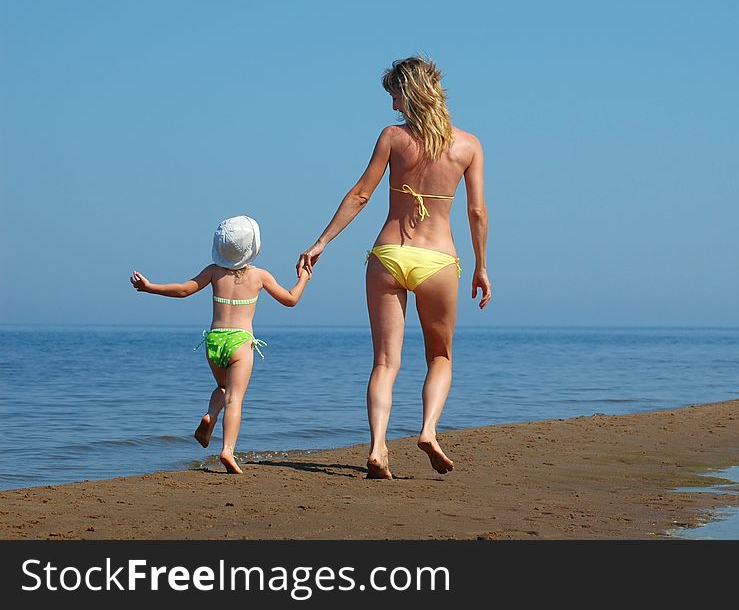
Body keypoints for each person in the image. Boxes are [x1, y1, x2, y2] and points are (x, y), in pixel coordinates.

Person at [297, 55, 491, 479]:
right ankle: (428, 430)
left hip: (389, 254)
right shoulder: (468, 145)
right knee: (440, 356)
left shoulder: (392, 137)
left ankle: (379, 448)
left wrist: (321, 242)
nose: (393, 107)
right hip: (439, 260)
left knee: (385, 361)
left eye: (396, 96)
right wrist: (481, 266)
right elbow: (476, 212)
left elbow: (361, 195)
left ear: (412, 93)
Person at [131, 215, 310, 474]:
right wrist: (304, 278)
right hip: (240, 342)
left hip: (214, 339)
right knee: (235, 400)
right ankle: (227, 450)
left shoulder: (213, 272)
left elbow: (184, 289)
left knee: (222, 387)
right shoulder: (259, 276)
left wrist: (149, 287)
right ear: (252, 247)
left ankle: (210, 416)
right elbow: (291, 300)